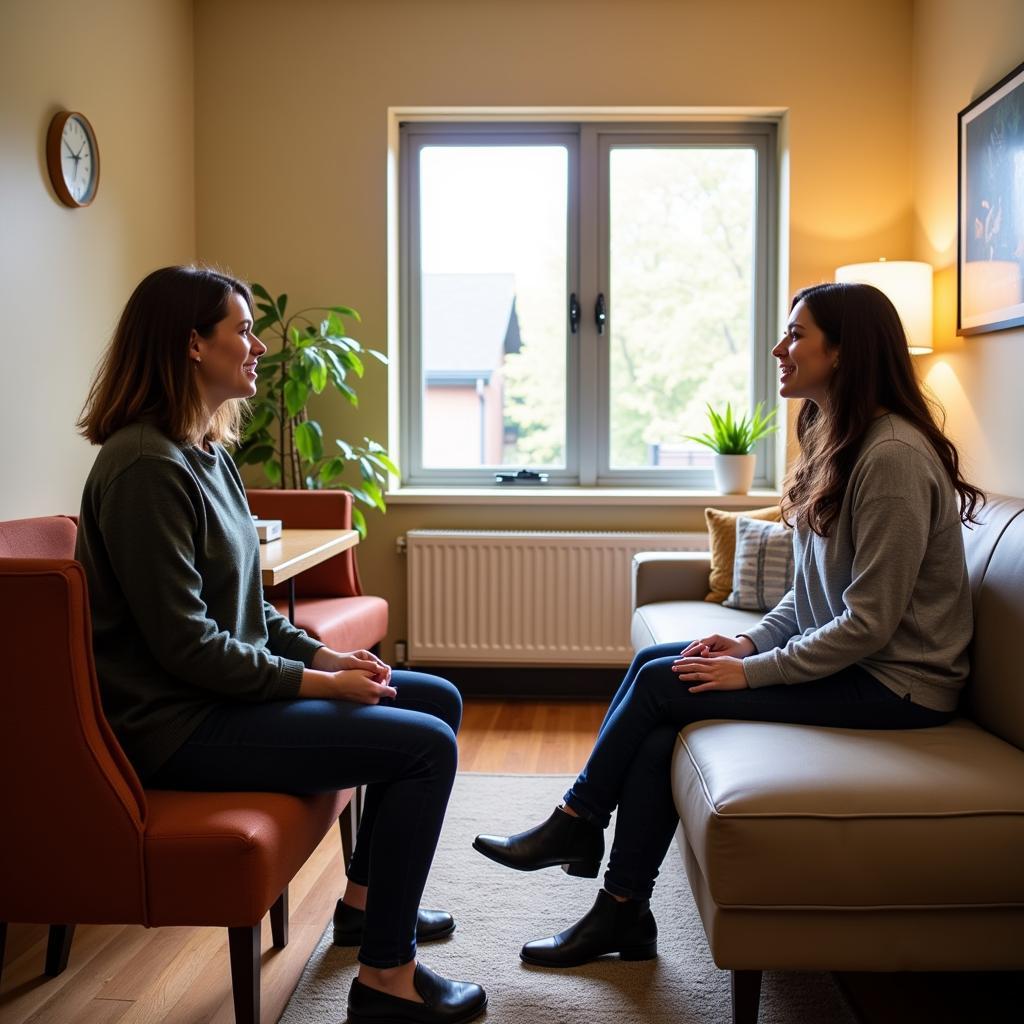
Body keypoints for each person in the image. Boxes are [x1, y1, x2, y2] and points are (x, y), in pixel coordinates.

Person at [473, 281, 985, 969]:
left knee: (661, 689)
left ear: (845, 351)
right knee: (659, 693)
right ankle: (622, 910)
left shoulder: (891, 457)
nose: (781, 347)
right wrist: (745, 640)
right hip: (861, 667)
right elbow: (808, 599)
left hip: (901, 685)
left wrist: (748, 672)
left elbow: (867, 622)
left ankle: (577, 823)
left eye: (797, 334)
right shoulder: (838, 441)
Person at [76, 265, 486, 1024]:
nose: (258, 344)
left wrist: (329, 659)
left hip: (214, 698)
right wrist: (323, 690)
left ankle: (365, 907)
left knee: (434, 696)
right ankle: (385, 982)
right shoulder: (143, 468)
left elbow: (250, 615)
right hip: (177, 725)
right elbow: (187, 647)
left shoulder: (206, 453)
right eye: (242, 330)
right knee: (425, 748)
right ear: (192, 344)